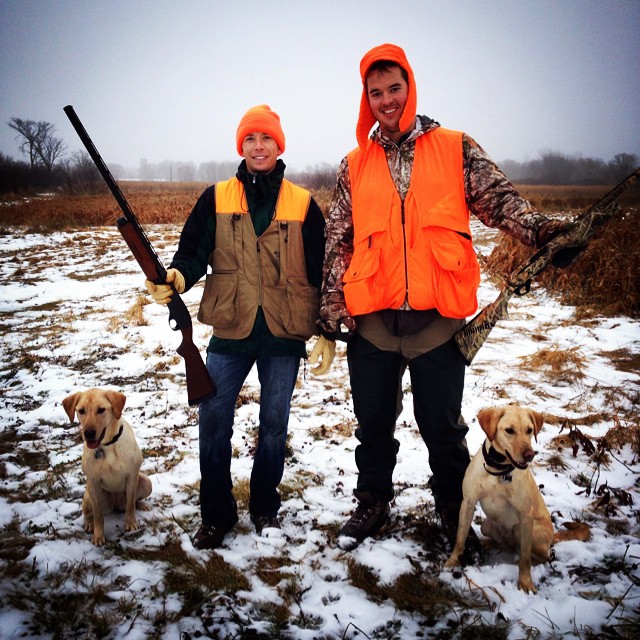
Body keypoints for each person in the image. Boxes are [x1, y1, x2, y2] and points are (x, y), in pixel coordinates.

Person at [318, 43, 571, 552]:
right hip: (371, 318)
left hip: (436, 319)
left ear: (410, 87)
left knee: (442, 427)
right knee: (372, 424)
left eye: (395, 88)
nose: (387, 100)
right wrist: (330, 310)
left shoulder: (454, 147)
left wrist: (543, 231)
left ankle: (452, 510)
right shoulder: (354, 163)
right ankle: (373, 501)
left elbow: (500, 202)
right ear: (365, 100)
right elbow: (339, 239)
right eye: (376, 93)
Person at [146, 105, 335, 549]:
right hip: (230, 328)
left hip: (283, 333)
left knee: (273, 425)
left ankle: (265, 508)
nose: (258, 146)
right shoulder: (216, 198)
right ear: (241, 146)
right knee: (213, 422)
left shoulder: (303, 203)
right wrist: (177, 276)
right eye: (250, 138)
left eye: (265, 138)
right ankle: (216, 514)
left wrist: (327, 326)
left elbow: (323, 267)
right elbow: (193, 251)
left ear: (278, 144)